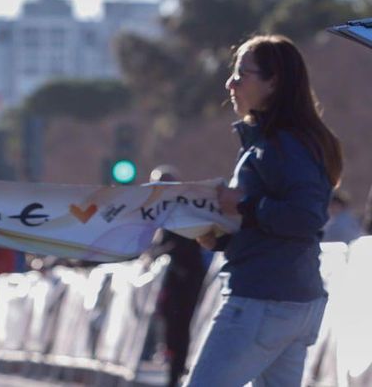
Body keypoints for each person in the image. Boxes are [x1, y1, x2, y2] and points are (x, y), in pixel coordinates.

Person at [185, 34, 343, 387]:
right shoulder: (294, 140)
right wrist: (223, 238)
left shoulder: (281, 142)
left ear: (274, 82)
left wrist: (242, 204)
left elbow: (305, 218)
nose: (230, 83)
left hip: (262, 300)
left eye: (242, 74)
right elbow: (287, 222)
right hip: (293, 300)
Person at [146, 164, 206, 387]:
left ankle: (177, 373)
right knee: (169, 326)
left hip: (187, 277)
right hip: (172, 278)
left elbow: (182, 244)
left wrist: (158, 253)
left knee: (181, 326)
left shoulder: (185, 207)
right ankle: (173, 369)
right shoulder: (160, 209)